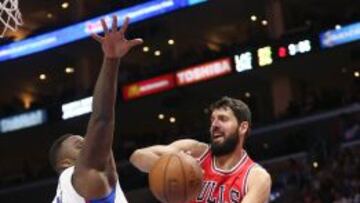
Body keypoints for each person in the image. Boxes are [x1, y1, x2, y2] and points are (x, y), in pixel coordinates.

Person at [49, 16, 143, 203]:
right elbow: (102, 119)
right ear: (66, 163)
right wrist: (111, 60)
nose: (94, 146)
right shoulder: (83, 177)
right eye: (81, 147)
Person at [130, 96, 272, 203]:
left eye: (223, 119)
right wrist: (183, 169)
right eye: (212, 120)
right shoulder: (194, 150)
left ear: (243, 127)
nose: (215, 124)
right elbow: (137, 157)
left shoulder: (257, 177)